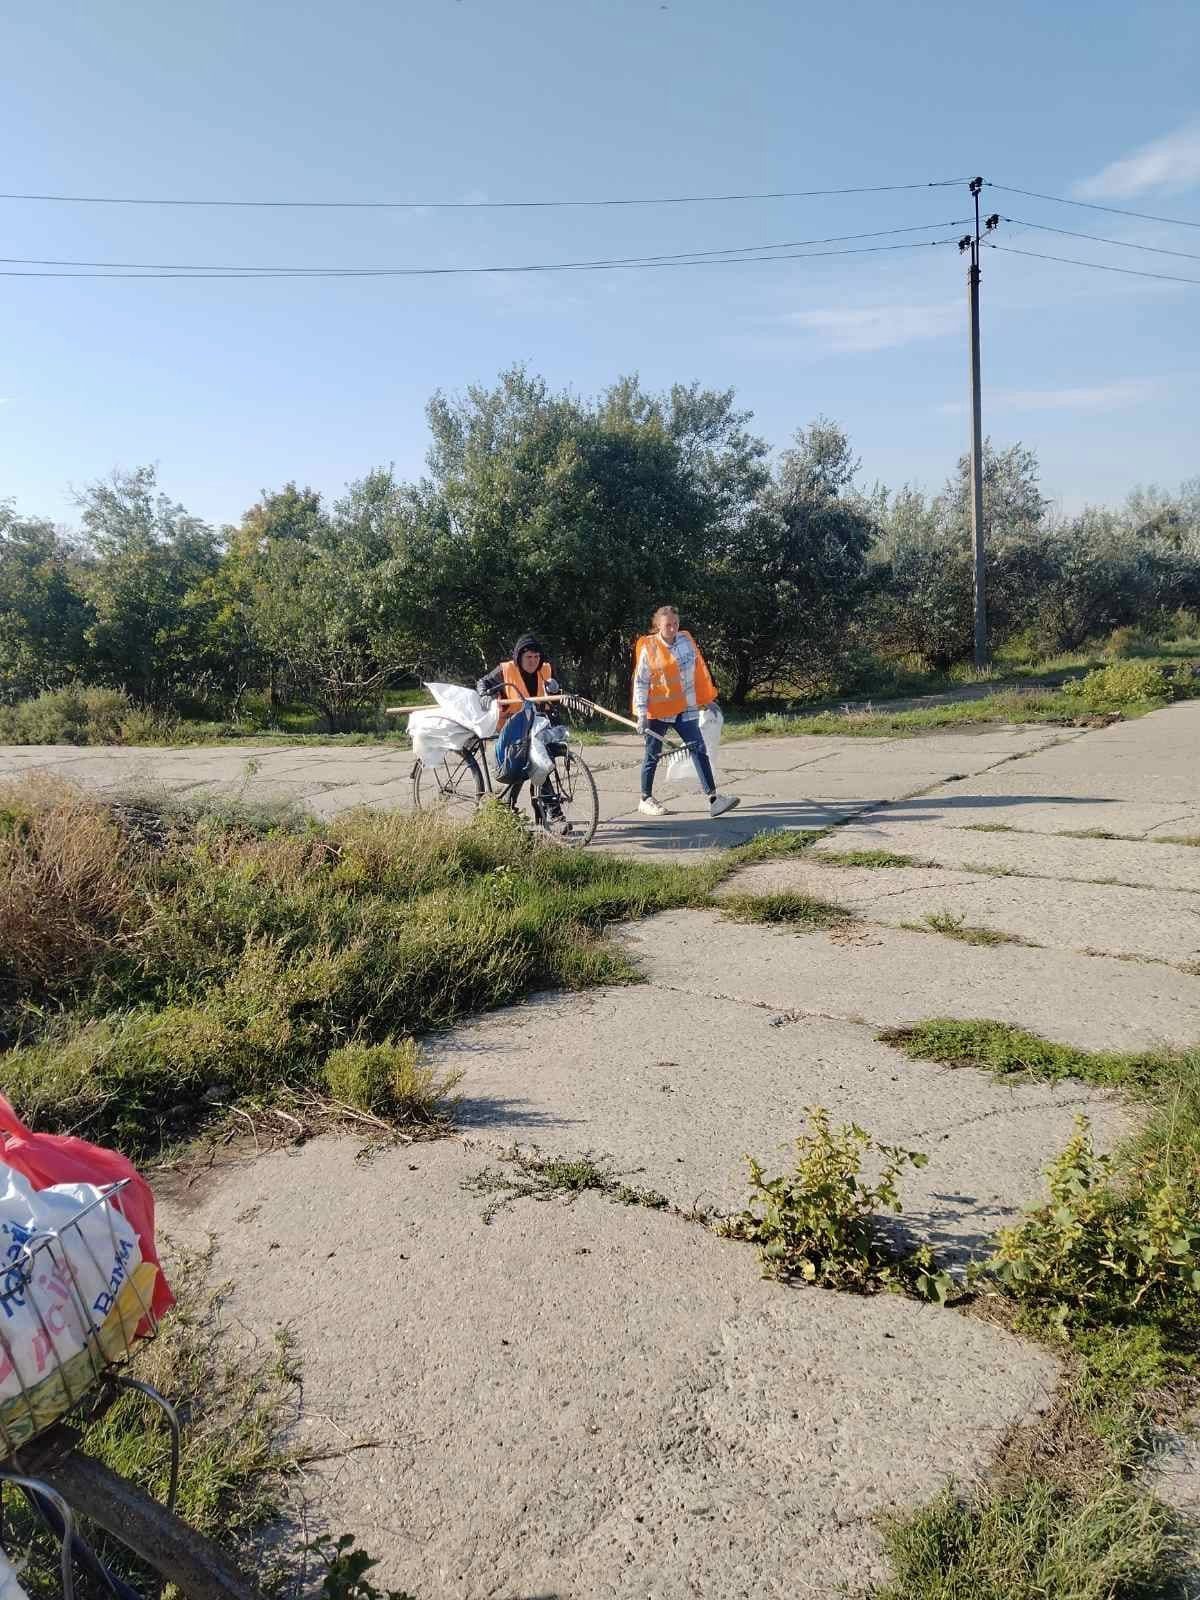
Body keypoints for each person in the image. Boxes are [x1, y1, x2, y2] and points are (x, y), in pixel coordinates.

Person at [632, 605, 740, 818]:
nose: (672, 629)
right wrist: (642, 714)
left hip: (685, 709)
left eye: (675, 624)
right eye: (667, 625)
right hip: (659, 712)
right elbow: (641, 682)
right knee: (652, 755)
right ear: (657, 627)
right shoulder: (649, 648)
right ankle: (645, 799)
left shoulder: (686, 641)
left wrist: (706, 699)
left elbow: (698, 672)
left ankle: (714, 799)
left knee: (698, 749)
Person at [477, 634, 570, 831]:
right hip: (511, 729)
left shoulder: (545, 669)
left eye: (536, 657)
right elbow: (483, 683)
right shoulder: (506, 670)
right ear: (519, 657)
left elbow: (554, 699)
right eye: (529, 657)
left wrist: (555, 691)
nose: (533, 661)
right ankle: (554, 814)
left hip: (536, 727)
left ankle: (507, 809)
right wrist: (485, 695)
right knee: (533, 762)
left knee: (535, 763)